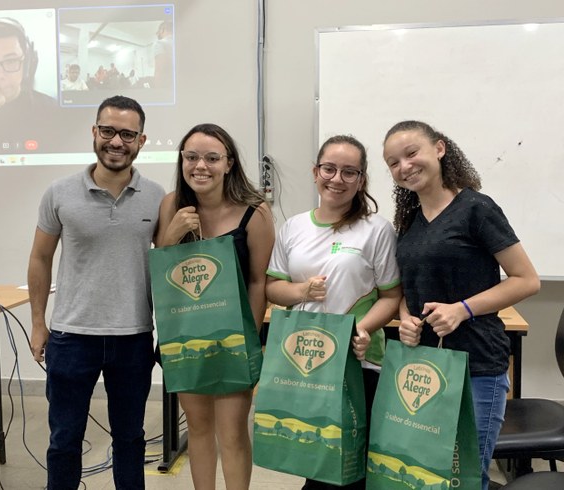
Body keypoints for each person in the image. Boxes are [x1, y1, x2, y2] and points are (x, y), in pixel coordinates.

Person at [382, 120, 540, 490]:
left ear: (439, 149)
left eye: (411, 153)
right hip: (424, 367)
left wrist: (462, 309)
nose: (403, 167)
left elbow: (526, 279)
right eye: (393, 163)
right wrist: (405, 317)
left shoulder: (476, 209)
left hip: (476, 366)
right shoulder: (410, 222)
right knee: (426, 476)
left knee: (465, 477)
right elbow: (409, 290)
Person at [28, 95, 165, 490]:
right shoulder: (59, 193)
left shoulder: (158, 197)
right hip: (72, 338)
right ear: (94, 132)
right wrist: (39, 324)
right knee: (64, 440)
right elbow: (40, 259)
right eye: (108, 131)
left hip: (133, 337)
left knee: (130, 439)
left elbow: (170, 261)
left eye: (127, 134)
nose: (116, 142)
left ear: (141, 140)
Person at [265, 135, 401, 490]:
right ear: (315, 172)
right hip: (305, 361)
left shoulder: (377, 230)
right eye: (329, 168)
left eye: (349, 172)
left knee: (352, 462)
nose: (337, 179)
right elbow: (272, 288)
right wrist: (301, 290)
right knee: (317, 456)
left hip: (358, 361)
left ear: (361, 179)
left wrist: (363, 330)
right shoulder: (293, 227)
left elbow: (391, 296)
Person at [156, 123, 275, 489]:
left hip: (234, 342)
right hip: (187, 341)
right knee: (199, 430)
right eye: (191, 157)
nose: (200, 166)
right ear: (182, 161)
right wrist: (171, 235)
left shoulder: (254, 212)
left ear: (229, 163)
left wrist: (248, 341)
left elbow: (259, 282)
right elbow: (161, 273)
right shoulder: (171, 205)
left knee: (234, 434)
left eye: (211, 158)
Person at [152, 21, 173, 89]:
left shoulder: (160, 43)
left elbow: (160, 69)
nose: (157, 34)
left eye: (158, 31)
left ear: (162, 30)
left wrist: (157, 89)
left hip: (167, 87)